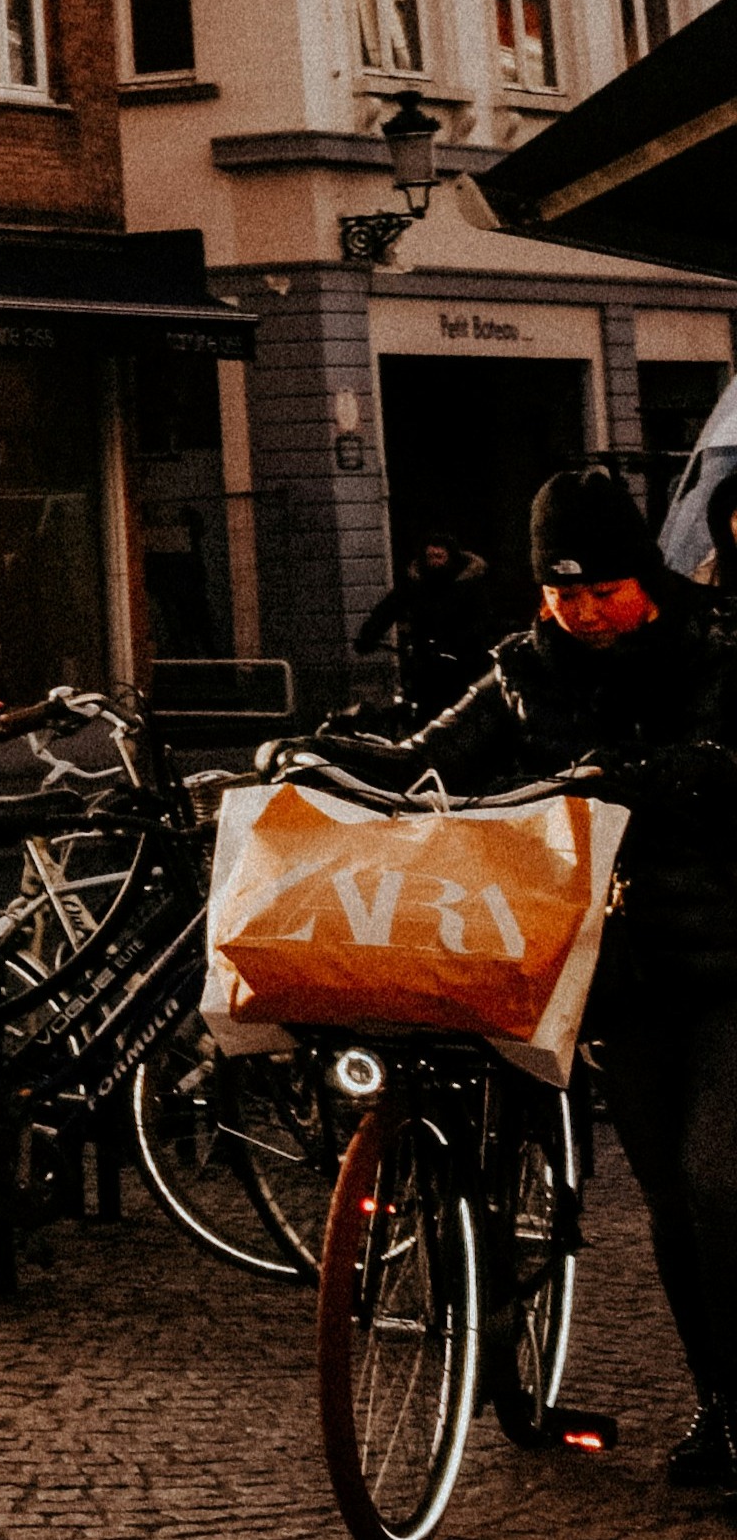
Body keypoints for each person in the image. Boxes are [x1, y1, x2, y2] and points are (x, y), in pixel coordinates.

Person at [388, 472, 737, 1484]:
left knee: (720, 1180)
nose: (581, 614)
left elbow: (727, 753)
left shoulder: (717, 643)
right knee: (673, 1195)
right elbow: (427, 758)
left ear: (647, 576)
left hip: (727, 959)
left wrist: (653, 771)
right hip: (623, 976)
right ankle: (717, 1404)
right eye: (560, 594)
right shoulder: (523, 670)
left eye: (601, 591)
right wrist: (327, 760)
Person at [358, 536, 513, 716]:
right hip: (427, 663)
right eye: (431, 557)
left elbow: (486, 618)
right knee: (425, 711)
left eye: (439, 557)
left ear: (450, 557)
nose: (435, 562)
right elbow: (390, 608)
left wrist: (478, 643)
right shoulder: (417, 583)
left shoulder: (471, 585)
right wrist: (369, 635)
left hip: (464, 663)